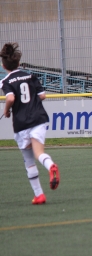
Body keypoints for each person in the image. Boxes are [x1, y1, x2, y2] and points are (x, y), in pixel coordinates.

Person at [0, 42, 60, 204]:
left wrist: (6, 110)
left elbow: (11, 98)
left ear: (4, 66)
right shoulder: (31, 76)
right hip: (38, 118)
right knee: (39, 153)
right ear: (19, 63)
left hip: (21, 123)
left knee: (28, 160)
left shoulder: (6, 82)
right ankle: (50, 166)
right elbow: (42, 96)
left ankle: (39, 194)